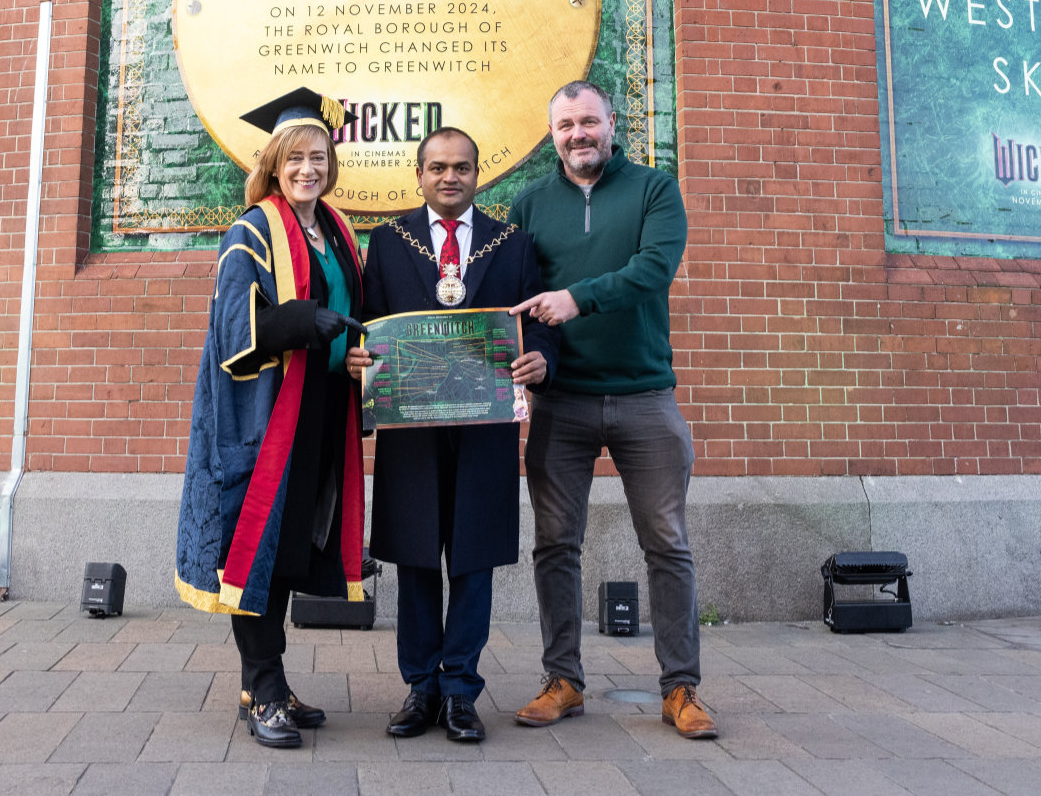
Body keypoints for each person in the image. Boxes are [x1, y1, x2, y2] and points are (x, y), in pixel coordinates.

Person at [508, 80, 715, 739]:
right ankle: (562, 681)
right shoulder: (530, 203)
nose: (578, 134)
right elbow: (516, 300)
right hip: (561, 403)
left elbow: (654, 269)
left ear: (611, 123)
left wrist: (576, 297)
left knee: (668, 544)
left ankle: (680, 690)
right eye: (565, 124)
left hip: (645, 398)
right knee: (554, 545)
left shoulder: (654, 190)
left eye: (589, 122)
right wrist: (526, 360)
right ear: (553, 134)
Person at [348, 127, 557, 743]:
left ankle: (461, 690)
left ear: (477, 176)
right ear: (419, 174)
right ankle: (420, 688)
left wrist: (540, 359)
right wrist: (357, 357)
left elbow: (538, 325)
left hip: (483, 429)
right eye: (437, 167)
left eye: (462, 167)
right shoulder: (387, 243)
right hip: (412, 431)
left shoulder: (512, 245)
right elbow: (367, 326)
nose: (450, 177)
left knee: (471, 559)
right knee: (415, 557)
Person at [174, 87, 368, 749]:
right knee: (255, 549)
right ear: (275, 165)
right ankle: (266, 687)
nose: (308, 168)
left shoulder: (337, 231)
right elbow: (231, 329)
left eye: (318, 156)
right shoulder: (251, 230)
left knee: (287, 552)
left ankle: (264, 685)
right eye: (295, 159)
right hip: (265, 416)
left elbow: (347, 314)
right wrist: (300, 322)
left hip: (322, 406)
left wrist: (350, 357)